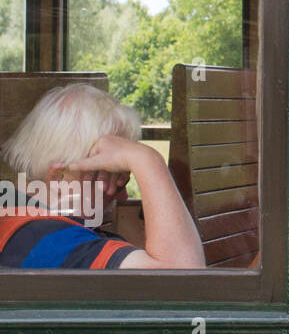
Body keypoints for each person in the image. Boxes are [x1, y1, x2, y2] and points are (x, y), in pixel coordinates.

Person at [0, 84, 204, 270]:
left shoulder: (20, 220)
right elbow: (185, 281)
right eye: (114, 179)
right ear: (60, 177)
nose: (122, 196)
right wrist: (148, 159)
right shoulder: (52, 242)